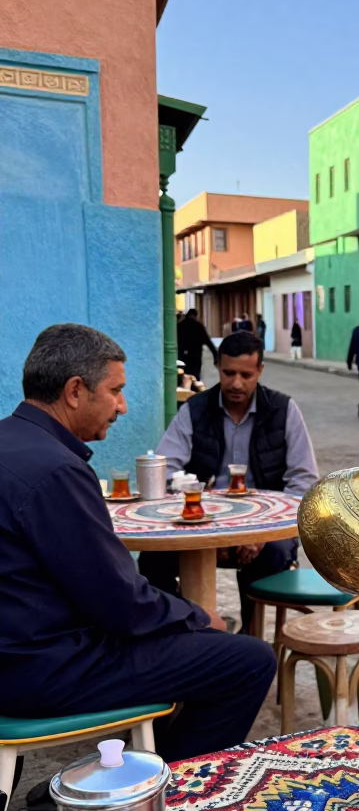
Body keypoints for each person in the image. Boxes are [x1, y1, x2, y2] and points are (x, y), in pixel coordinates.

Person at [0, 325, 277, 780]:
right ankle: (157, 788)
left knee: (201, 638)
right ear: (74, 391)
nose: (122, 406)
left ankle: (119, 773)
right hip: (42, 666)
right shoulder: (55, 470)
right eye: (115, 391)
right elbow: (121, 604)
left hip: (25, 648)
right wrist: (194, 615)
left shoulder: (14, 444)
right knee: (247, 660)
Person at [139, 331, 318, 632]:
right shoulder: (194, 410)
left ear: (260, 370)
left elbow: (304, 484)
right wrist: (208, 523)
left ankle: (249, 638)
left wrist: (262, 532)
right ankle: (190, 626)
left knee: (269, 555)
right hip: (202, 524)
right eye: (228, 373)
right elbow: (167, 469)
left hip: (265, 529)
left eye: (245, 374)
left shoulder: (284, 410)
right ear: (218, 367)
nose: (236, 383)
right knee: (151, 561)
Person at [177, 308, 218, 382]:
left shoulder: (180, 325)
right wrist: (215, 355)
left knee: (182, 377)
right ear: (195, 315)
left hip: (182, 356)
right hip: (195, 357)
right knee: (195, 377)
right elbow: (208, 342)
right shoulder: (198, 326)